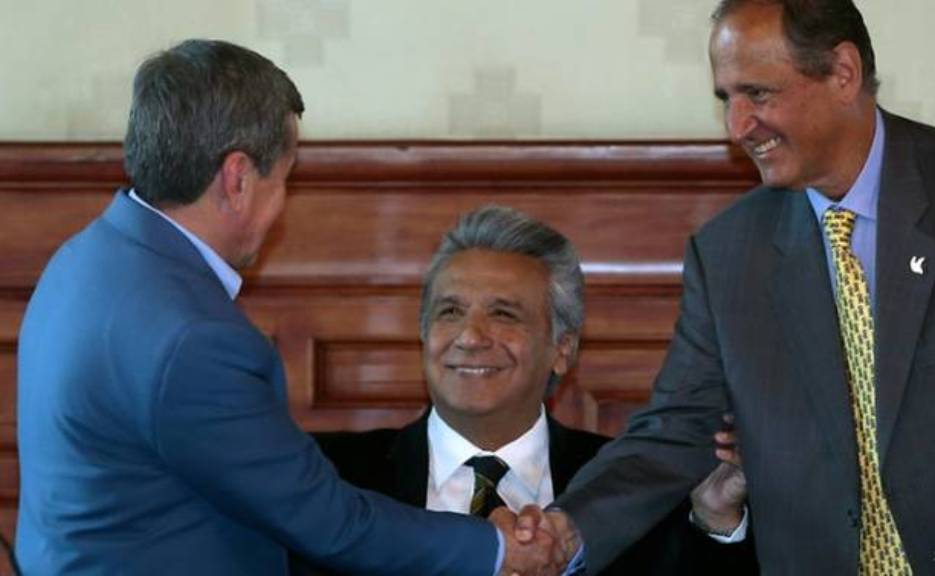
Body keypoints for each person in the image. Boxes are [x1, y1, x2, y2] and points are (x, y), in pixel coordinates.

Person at [15, 39, 559, 576]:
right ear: (237, 177)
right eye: (285, 178)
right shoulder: (196, 338)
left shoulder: (85, 258)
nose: (283, 203)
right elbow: (330, 524)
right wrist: (494, 547)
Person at [539, 0, 935, 573]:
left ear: (843, 73)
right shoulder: (729, 254)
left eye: (759, 94)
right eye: (727, 99)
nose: (738, 126)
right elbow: (675, 428)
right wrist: (565, 530)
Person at [293, 205, 757, 575]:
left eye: (504, 314)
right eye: (450, 312)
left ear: (562, 348)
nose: (470, 337)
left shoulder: (631, 489)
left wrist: (717, 521)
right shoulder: (328, 479)